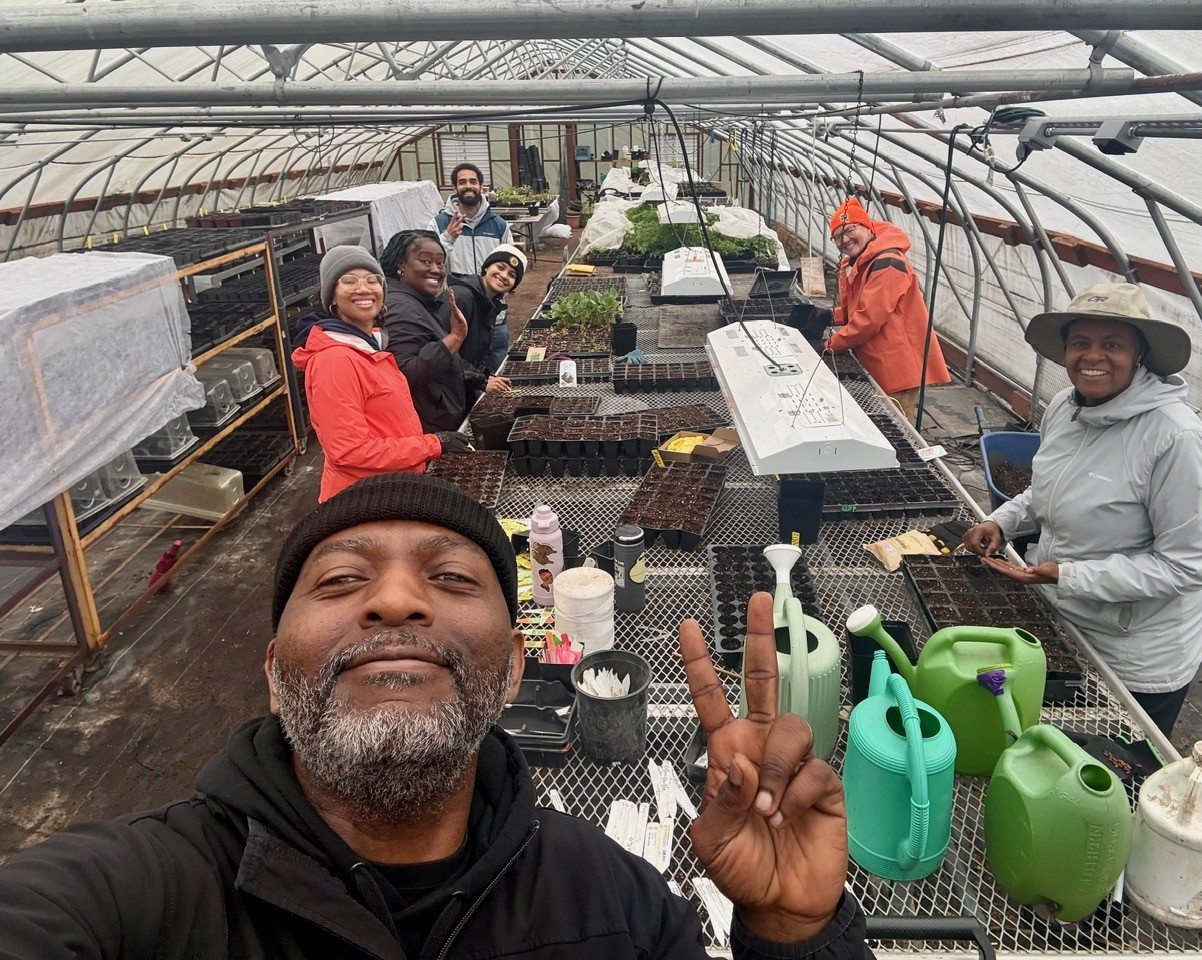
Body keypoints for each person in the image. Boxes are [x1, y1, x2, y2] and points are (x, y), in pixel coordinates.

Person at [0, 472, 870, 959]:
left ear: (516, 668)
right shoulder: (139, 900)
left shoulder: (617, 907)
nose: (395, 601)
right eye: (341, 579)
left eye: (452, 579)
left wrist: (796, 936)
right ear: (273, 672)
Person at [962, 283, 1202, 738]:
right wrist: (1000, 521)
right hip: (1064, 615)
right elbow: (1045, 490)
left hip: (1136, 651)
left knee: (1113, 771)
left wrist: (1066, 574)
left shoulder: (1175, 439)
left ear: (1139, 354)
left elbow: (1184, 567)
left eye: (1112, 344)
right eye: (1081, 343)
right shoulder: (1064, 408)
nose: (1093, 356)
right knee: (1046, 747)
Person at [291, 245, 472, 502]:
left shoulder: (370, 347)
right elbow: (349, 451)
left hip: (392, 486)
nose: (363, 289)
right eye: (349, 281)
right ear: (331, 296)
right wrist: (434, 444)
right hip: (366, 500)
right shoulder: (335, 360)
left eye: (372, 280)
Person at [821, 198, 950, 420]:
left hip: (895, 364)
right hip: (878, 357)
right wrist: (826, 316)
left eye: (850, 230)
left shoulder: (887, 262)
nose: (845, 240)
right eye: (837, 237)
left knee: (899, 427)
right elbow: (857, 308)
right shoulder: (861, 260)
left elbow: (869, 319)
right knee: (885, 421)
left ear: (867, 227)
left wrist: (829, 345)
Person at [380, 230, 512, 434]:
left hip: (440, 417)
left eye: (440, 263)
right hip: (428, 426)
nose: (436, 269)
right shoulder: (402, 308)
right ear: (401, 265)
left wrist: (480, 378)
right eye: (425, 261)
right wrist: (455, 339)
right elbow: (406, 375)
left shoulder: (418, 302)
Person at [436, 163, 517, 371]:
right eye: (462, 182)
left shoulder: (498, 224)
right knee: (461, 367)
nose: (468, 186)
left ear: (481, 186)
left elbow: (511, 263)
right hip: (458, 311)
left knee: (497, 364)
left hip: (493, 314)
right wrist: (447, 238)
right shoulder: (440, 223)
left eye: (473, 181)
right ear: (455, 188)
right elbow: (430, 263)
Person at [451, 243, 527, 377]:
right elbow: (445, 354)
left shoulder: (489, 304)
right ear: (486, 267)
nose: (504, 276)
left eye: (512, 275)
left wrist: (485, 376)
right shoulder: (462, 297)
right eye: (500, 267)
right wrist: (481, 380)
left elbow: (474, 354)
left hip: (464, 381)